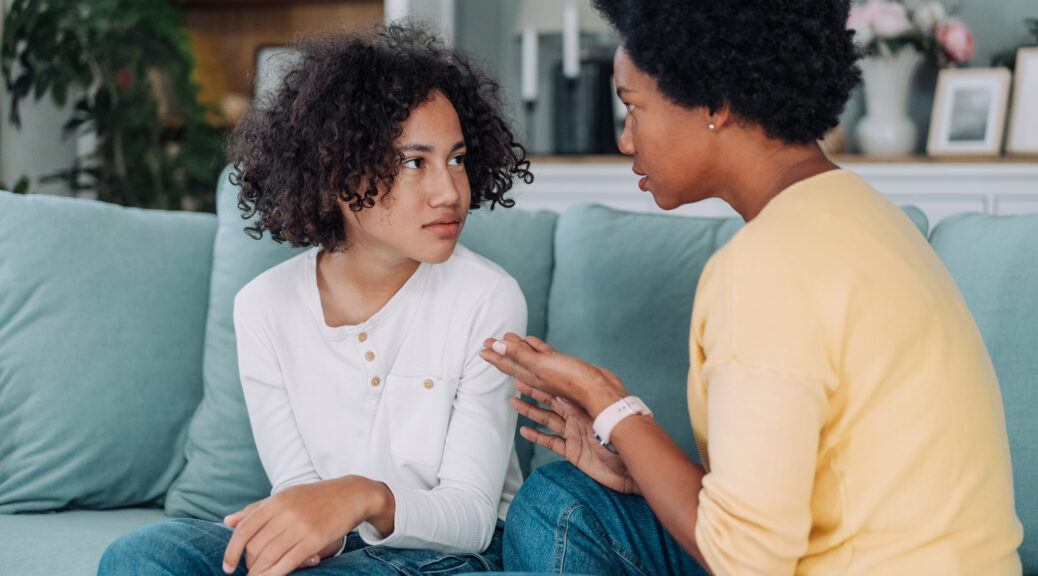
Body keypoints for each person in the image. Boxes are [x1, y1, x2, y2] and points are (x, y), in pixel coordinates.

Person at [479, 1, 1023, 575]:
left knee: (554, 510)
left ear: (714, 104)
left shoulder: (767, 266)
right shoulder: (862, 211)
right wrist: (637, 459)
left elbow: (745, 563)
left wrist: (608, 403)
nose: (624, 138)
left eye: (633, 107)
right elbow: (805, 493)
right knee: (568, 498)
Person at [99, 24, 532, 576]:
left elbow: (471, 517)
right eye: (414, 162)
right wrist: (293, 535)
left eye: (457, 158)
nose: (450, 191)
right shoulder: (263, 307)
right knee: (143, 555)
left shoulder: (488, 298)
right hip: (337, 550)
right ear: (336, 172)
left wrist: (363, 497)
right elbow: (300, 490)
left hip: (449, 553)